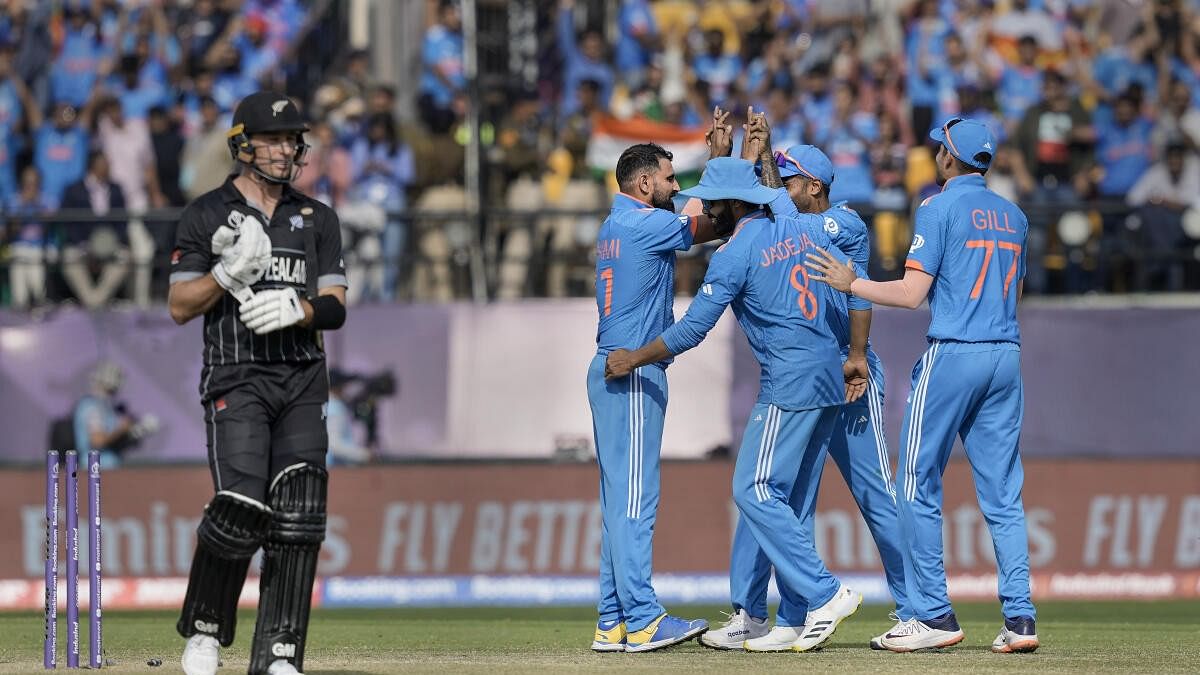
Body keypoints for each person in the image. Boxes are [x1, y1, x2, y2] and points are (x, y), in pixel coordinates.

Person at [606, 121, 862, 654]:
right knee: (789, 501)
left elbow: (692, 330)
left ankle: (824, 593)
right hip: (828, 373)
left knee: (751, 490)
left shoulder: (732, 255)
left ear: (727, 204)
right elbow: (770, 198)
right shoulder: (791, 222)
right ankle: (790, 617)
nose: (701, 208)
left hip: (788, 382)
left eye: (709, 201)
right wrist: (747, 154)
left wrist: (637, 355)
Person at [806, 117, 1039, 654]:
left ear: (950, 158)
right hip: (1005, 355)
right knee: (1004, 494)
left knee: (915, 481)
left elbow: (912, 295)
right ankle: (1021, 617)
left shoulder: (937, 208)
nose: (935, 152)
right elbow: (1016, 290)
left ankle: (932, 613)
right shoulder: (1015, 215)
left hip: (954, 353)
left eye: (940, 146)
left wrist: (852, 282)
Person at [700, 140, 908, 650]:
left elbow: (771, 213)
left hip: (850, 373)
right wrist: (730, 154)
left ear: (813, 186)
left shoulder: (843, 221)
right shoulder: (783, 226)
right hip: (812, 374)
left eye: (789, 183)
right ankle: (777, 614)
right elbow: (756, 208)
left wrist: (857, 355)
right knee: (785, 500)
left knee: (875, 495)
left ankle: (919, 609)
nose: (780, 194)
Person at [167, 91, 348, 675]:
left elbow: (337, 305)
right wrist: (224, 274)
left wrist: (301, 310)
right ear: (243, 144)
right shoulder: (205, 213)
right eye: (272, 138)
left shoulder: (317, 217)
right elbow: (178, 304)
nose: (284, 149)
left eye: (292, 139)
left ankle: (279, 653)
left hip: (301, 378)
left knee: (298, 514)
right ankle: (204, 629)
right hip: (236, 373)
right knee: (241, 504)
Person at [583, 121, 731, 652]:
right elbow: (711, 223)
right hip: (634, 371)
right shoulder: (645, 224)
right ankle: (643, 618)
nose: (675, 187)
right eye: (670, 179)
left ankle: (612, 620)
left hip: (610, 368)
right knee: (635, 503)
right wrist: (721, 163)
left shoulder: (614, 224)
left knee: (617, 501)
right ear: (644, 184)